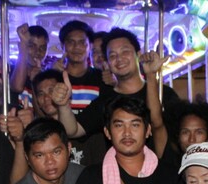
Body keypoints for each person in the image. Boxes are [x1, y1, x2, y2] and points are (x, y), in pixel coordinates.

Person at [51, 27, 179, 141]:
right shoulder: (106, 100)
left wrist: (151, 75)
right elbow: (73, 130)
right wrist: (63, 105)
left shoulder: (165, 94)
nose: (119, 59)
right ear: (107, 63)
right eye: (112, 56)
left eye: (125, 52)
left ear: (138, 54)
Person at [31, 69, 107, 166]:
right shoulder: (38, 133)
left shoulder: (86, 128)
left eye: (51, 91)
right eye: (41, 94)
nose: (46, 98)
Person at [11, 23, 50, 107]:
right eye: (31, 46)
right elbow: (17, 87)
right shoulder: (11, 70)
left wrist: (36, 81)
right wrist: (23, 43)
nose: (37, 52)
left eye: (42, 48)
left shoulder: (46, 77)